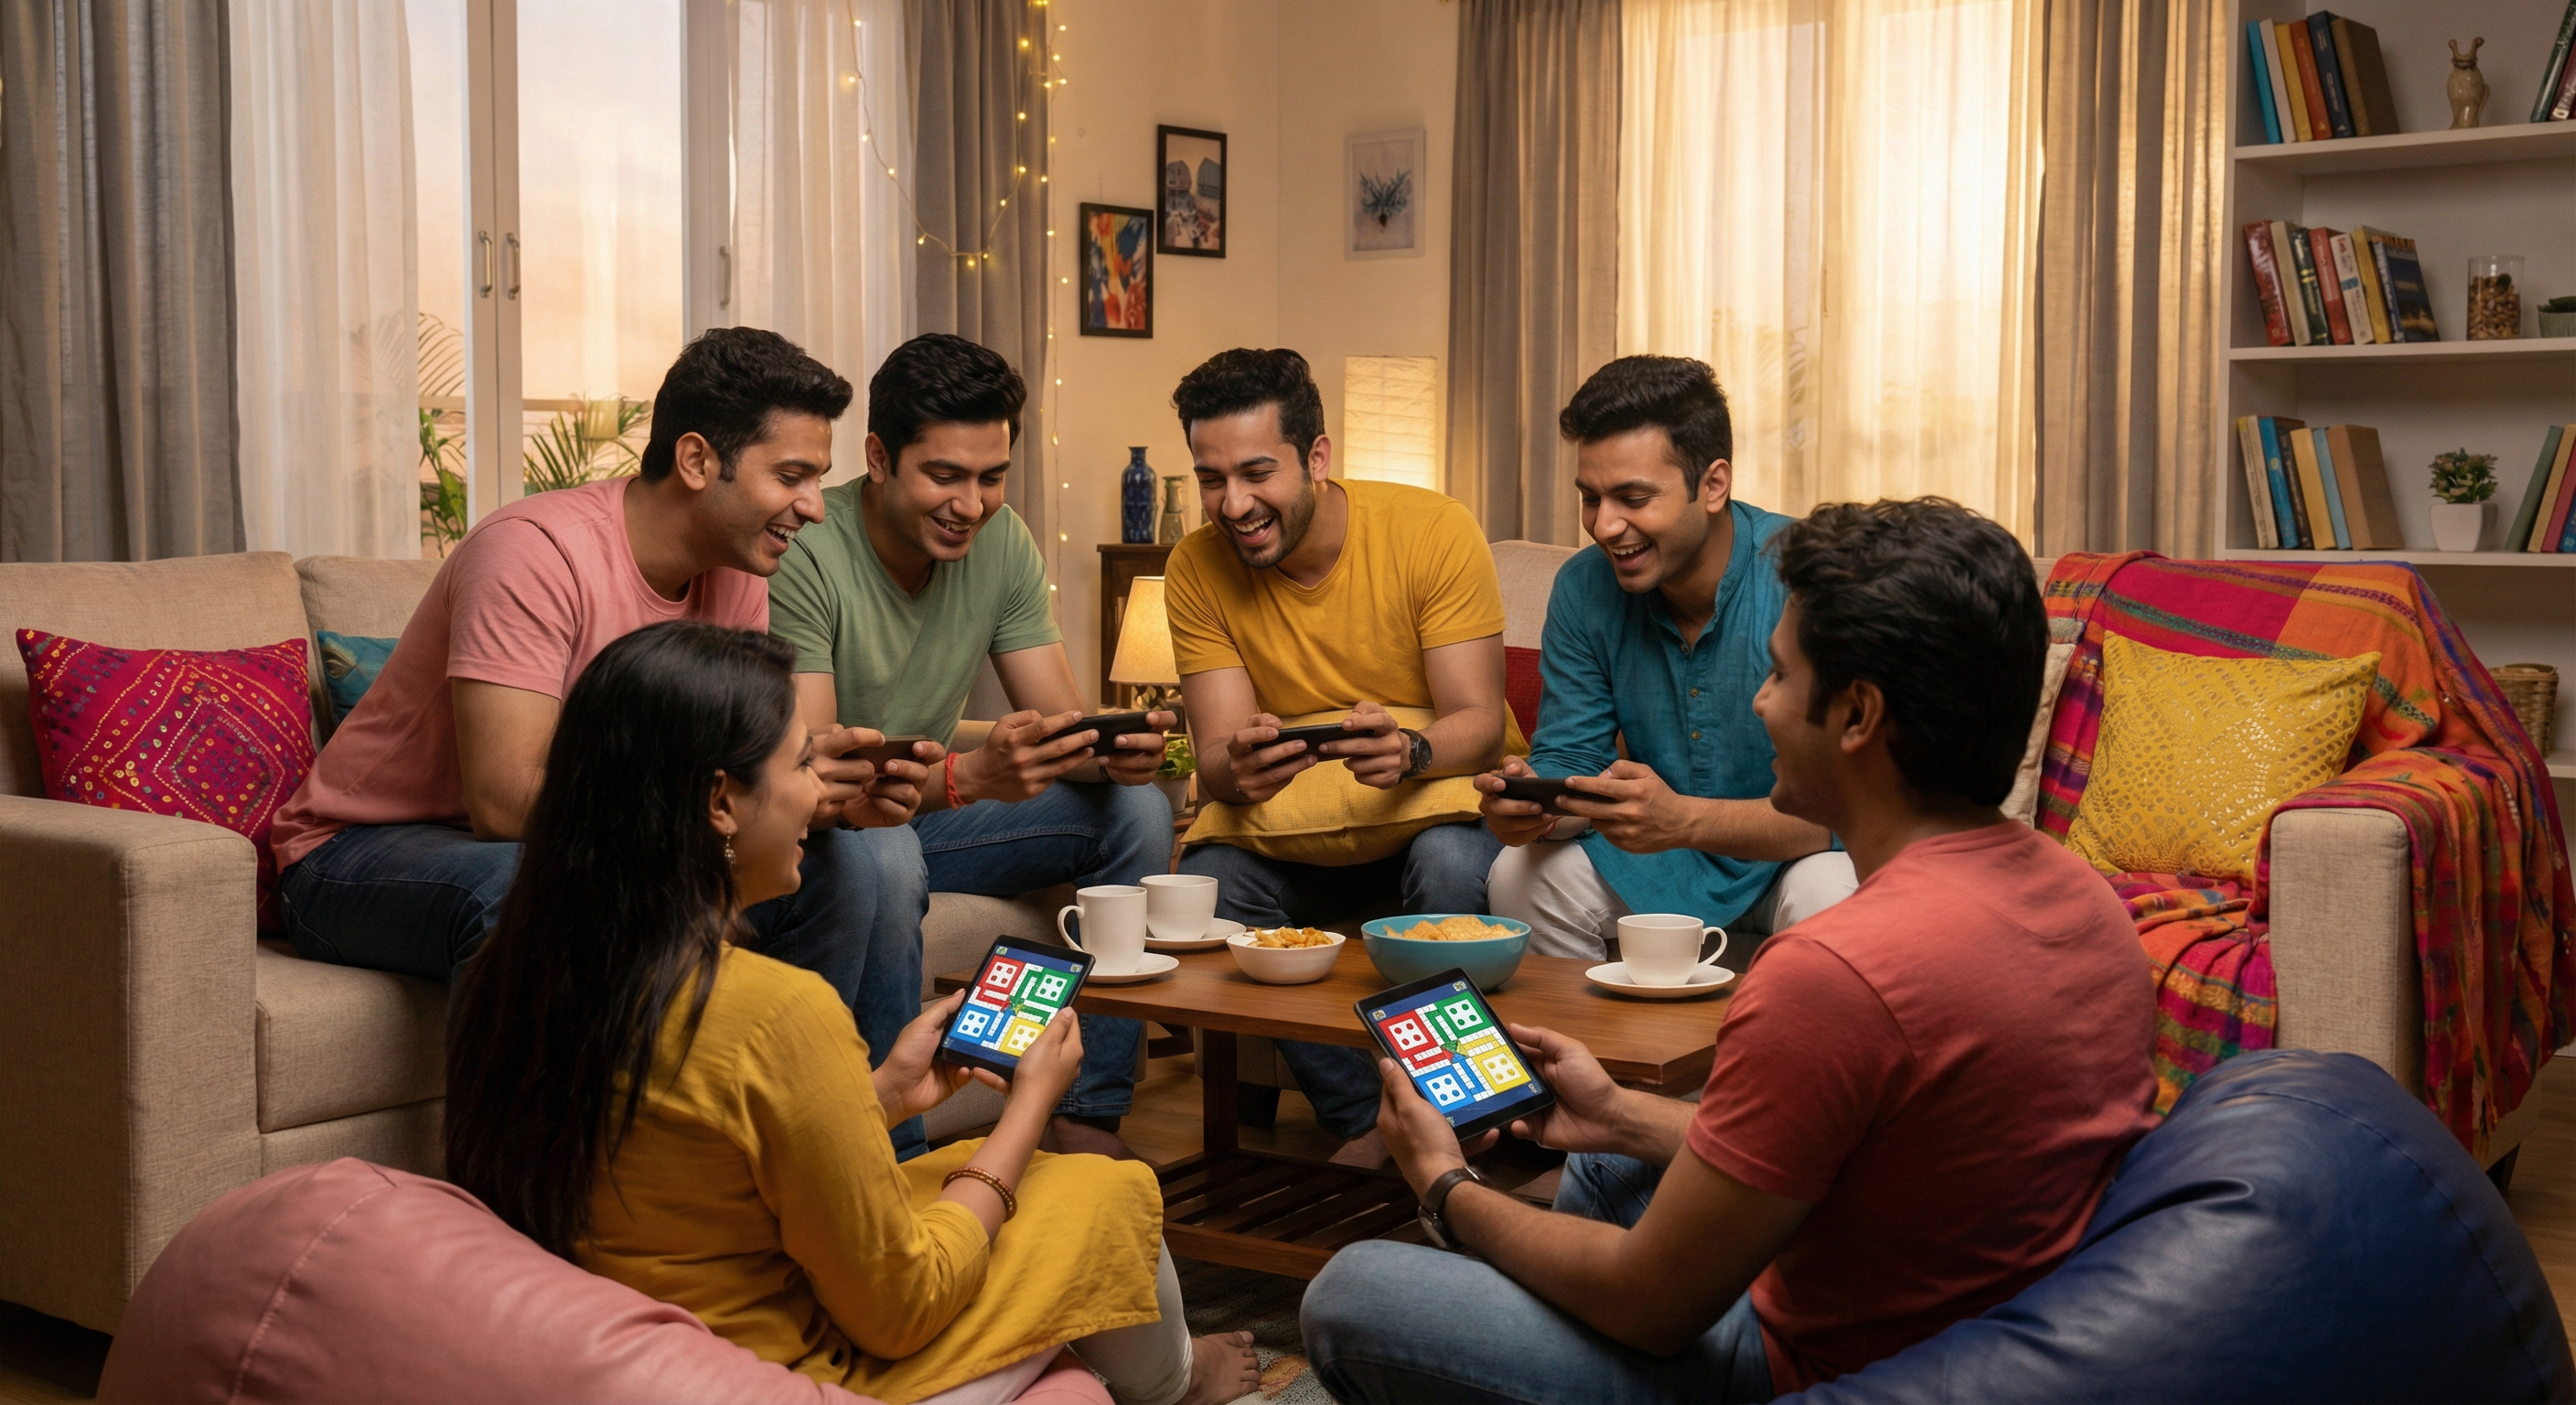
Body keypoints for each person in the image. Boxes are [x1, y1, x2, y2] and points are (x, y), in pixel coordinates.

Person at [1303, 499, 2159, 1403]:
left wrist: (1443, 1186)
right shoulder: (2086, 899)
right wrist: (1621, 1116)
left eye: (1779, 676)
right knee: (1607, 1156)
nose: (1758, 702)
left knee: (1355, 1289)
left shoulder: (1834, 973)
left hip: (1811, 1367)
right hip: (1963, 1323)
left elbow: (1649, 1307)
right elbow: (1888, 1163)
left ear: (1857, 715)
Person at [442, 622, 1258, 1405]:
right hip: (781, 1365)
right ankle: (1175, 1384)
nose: (819, 795)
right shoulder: (775, 1009)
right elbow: (904, 1308)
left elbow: (692, 1160)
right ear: (720, 804)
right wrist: (1034, 1106)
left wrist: (884, 1096)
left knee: (963, 1170)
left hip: (638, 1340)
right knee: (1103, 1191)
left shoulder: (512, 971)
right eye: (802, 764)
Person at [271, 328, 921, 1024]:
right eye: (791, 477)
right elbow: (505, 805)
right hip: (357, 853)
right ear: (698, 460)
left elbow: (725, 774)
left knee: (863, 863)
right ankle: (518, 1137)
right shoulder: (532, 553)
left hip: (580, 837)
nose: (817, 506)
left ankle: (858, 1128)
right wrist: (727, 806)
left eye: (817, 479)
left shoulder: (737, 571)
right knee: (540, 884)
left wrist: (806, 791)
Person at [768, 333, 1176, 1162]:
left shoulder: (1001, 541)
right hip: (831, 831)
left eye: (991, 477)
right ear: (879, 458)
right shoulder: (807, 551)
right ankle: (899, 1154)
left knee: (1132, 807)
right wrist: (968, 777)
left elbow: (1059, 725)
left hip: (922, 819)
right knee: (884, 856)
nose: (972, 503)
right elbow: (818, 782)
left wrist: (1115, 750)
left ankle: (1085, 1112)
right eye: (944, 476)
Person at [1164, 348, 1516, 1165]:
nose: (1234, 504)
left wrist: (1413, 748)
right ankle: (1367, 1121)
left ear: (1317, 457)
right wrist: (1236, 765)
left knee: (1451, 867)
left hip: (1433, 811)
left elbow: (1480, 722)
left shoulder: (1432, 529)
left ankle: (1463, 1126)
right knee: (1212, 885)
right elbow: (1215, 762)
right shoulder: (1195, 566)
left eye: (1257, 472)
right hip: (1297, 836)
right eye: (1212, 478)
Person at [1477, 356, 1855, 962]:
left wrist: (1685, 820)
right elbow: (1572, 757)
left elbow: (1846, 814)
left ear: (1713, 485)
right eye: (1590, 498)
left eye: (1632, 498)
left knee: (1838, 892)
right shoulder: (1582, 587)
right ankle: (1592, 1056)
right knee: (1520, 875)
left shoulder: (1810, 576)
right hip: (1657, 861)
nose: (1604, 526)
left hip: (1800, 859)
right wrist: (1538, 811)